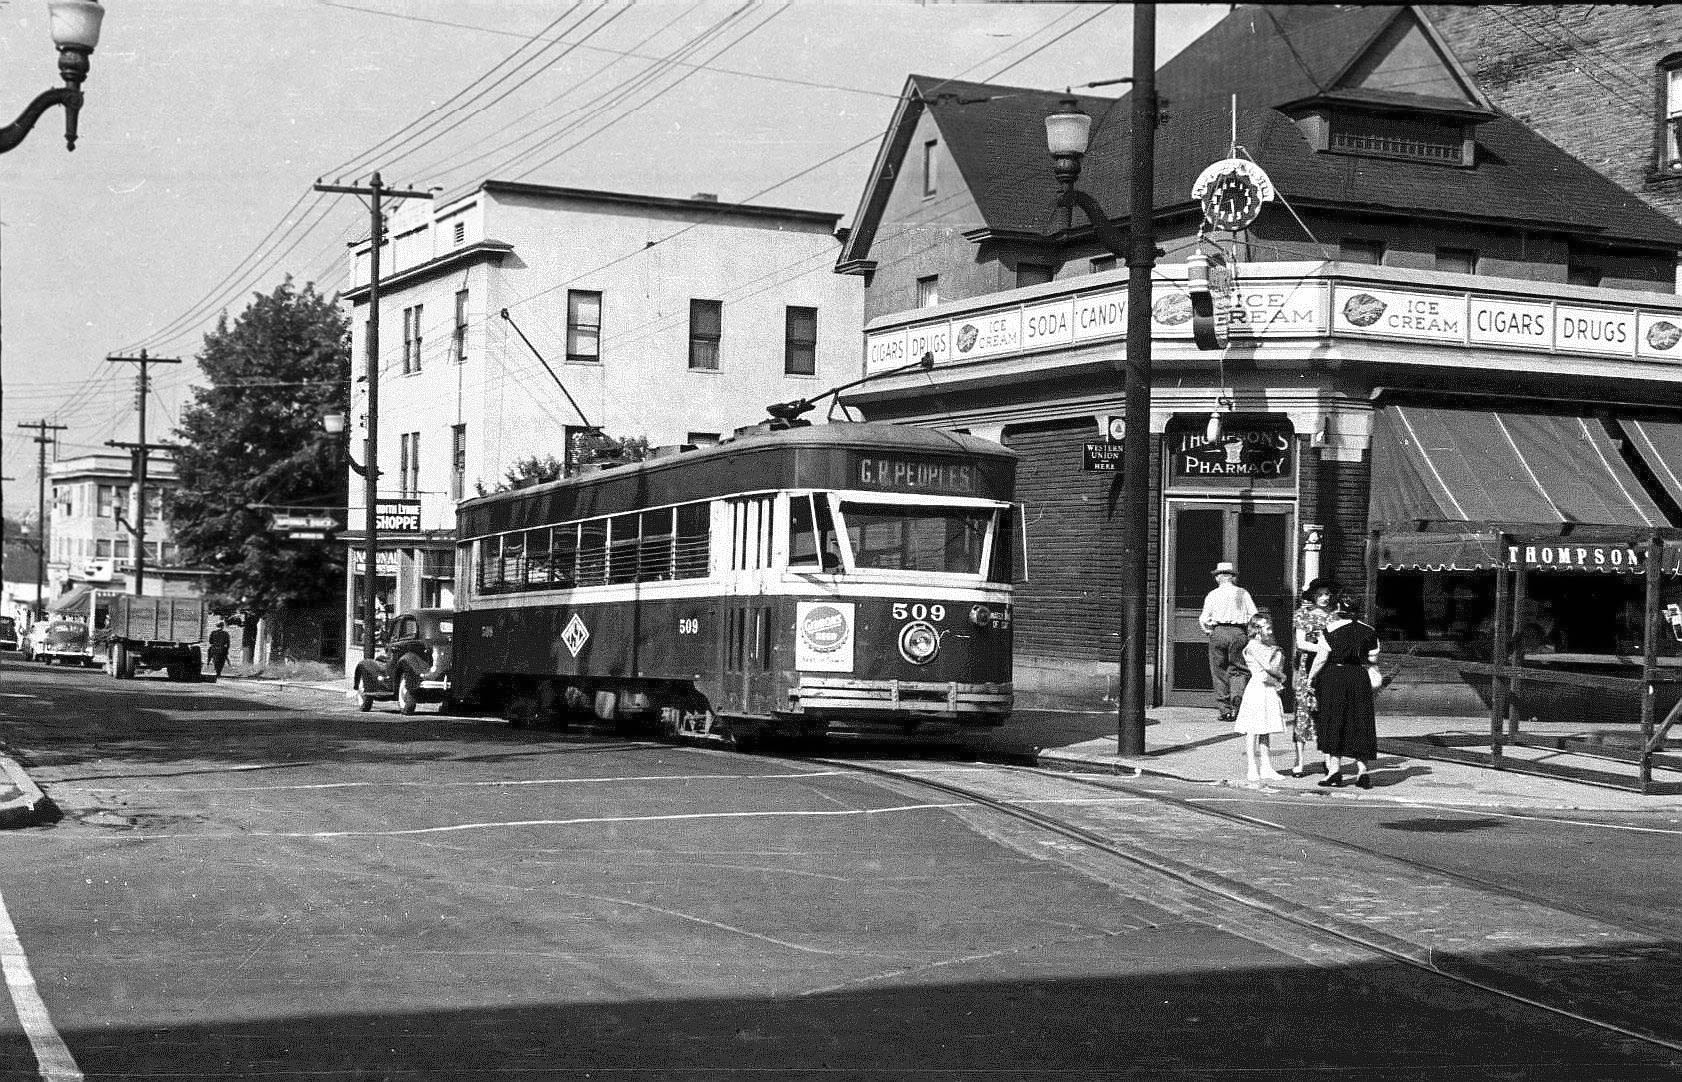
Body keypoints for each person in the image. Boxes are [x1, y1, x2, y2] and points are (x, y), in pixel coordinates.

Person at [1308, 593, 1381, 789]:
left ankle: (1334, 772)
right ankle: (1362, 773)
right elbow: (1373, 659)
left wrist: (1310, 678)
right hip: (1358, 676)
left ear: (1338, 610)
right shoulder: (1369, 631)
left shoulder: (1329, 630)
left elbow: (1321, 658)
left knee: (1334, 720)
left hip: (1335, 677)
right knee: (1360, 721)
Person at [1289, 578, 1339, 777]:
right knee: (1303, 710)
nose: (1324, 598)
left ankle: (1328, 759)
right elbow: (1301, 643)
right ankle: (1299, 761)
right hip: (1307, 665)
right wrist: (1323, 649)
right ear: (1313, 596)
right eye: (1320, 594)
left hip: (1327, 667)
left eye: (1327, 594)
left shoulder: (1334, 617)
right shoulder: (1302, 615)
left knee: (1326, 710)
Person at [1199, 560, 1258, 722]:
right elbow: (1254, 615)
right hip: (1239, 632)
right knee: (1238, 668)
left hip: (1219, 632)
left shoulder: (1213, 595)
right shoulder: (1242, 593)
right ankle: (1237, 699)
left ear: (1219, 577)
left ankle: (1224, 709)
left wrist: (1209, 631)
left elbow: (1204, 618)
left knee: (1219, 671)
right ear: (1232, 577)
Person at [1233, 613, 1287, 782]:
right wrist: (1282, 676)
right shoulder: (1252, 645)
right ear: (1257, 630)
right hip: (1257, 689)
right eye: (1267, 628)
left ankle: (1266, 767)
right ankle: (1252, 766)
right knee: (1253, 730)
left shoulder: (1267, 645)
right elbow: (1267, 666)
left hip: (1268, 688)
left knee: (1265, 729)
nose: (1270, 632)